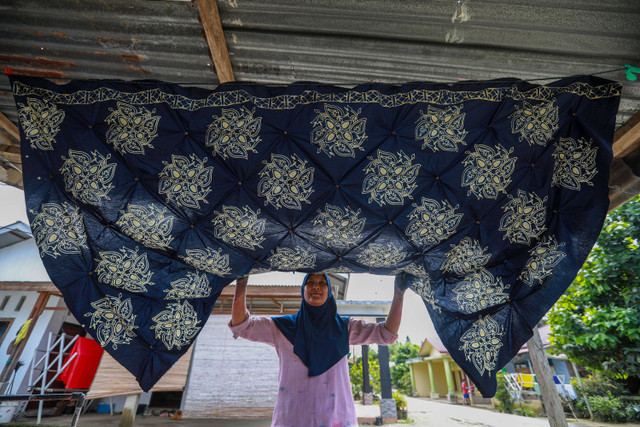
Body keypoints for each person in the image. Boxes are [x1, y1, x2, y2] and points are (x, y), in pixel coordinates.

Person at [229, 273, 408, 427]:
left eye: (323, 283)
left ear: (330, 291)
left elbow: (386, 333)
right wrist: (241, 282)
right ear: (303, 290)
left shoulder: (345, 328)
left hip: (337, 420)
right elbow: (242, 325)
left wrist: (399, 292)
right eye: (310, 282)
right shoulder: (282, 328)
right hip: (292, 419)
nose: (316, 286)